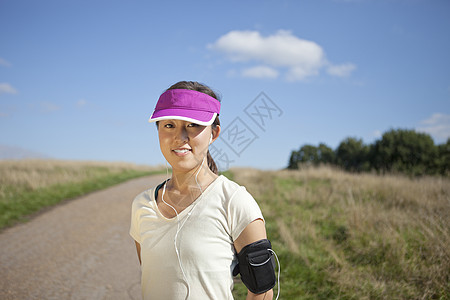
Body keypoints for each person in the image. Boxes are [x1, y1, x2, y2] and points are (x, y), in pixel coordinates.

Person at [130, 81, 276, 299]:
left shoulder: (235, 202)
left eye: (193, 125)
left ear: (214, 133)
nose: (180, 137)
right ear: (158, 131)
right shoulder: (142, 205)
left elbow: (262, 291)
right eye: (169, 125)